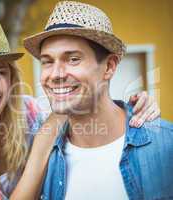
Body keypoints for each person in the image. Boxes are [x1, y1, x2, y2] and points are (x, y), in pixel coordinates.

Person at [0, 16, 159, 199]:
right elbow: (59, 117)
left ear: (11, 77)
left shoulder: (29, 111)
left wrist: (132, 107)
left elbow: (79, 102)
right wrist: (44, 141)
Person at [23, 1, 173, 200]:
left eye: (73, 59)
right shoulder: (43, 158)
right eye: (47, 62)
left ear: (109, 67)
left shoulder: (165, 145)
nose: (55, 74)